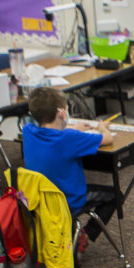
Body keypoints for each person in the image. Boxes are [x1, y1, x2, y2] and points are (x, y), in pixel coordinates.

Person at [22, 86, 117, 246]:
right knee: (115, 195)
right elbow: (107, 139)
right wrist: (102, 128)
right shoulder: (69, 138)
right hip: (68, 201)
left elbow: (52, 132)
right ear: (61, 113)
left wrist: (71, 128)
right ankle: (84, 238)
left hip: (38, 202)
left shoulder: (28, 131)